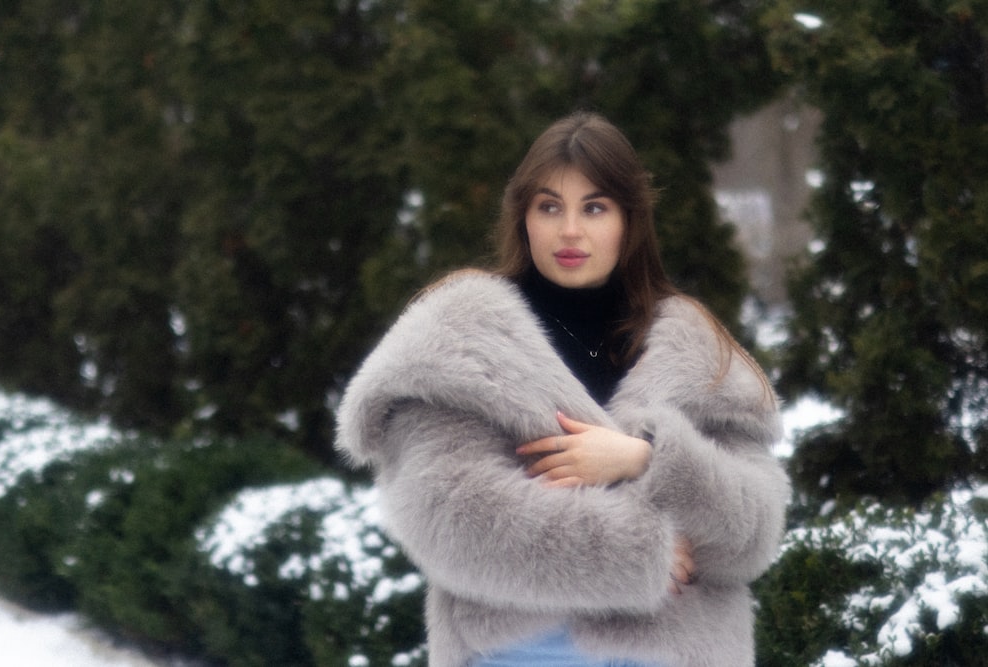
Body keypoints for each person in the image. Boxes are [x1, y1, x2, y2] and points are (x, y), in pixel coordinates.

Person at [335, 112, 790, 667]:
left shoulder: (696, 348)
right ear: (523, 217)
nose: (570, 230)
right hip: (525, 650)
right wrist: (636, 553)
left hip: (681, 652)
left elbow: (755, 532)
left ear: (629, 219)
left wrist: (647, 461)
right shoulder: (460, 337)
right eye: (549, 207)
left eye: (594, 207)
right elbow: (448, 516)